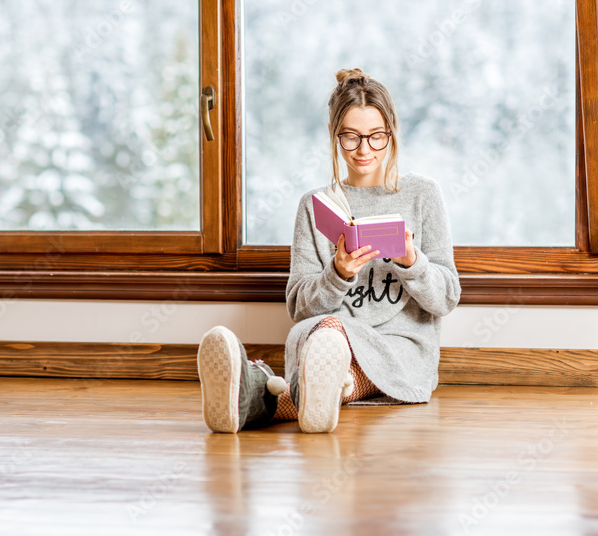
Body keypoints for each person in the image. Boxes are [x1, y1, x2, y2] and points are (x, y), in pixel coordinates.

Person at [197, 67, 461, 433]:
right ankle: (318, 390)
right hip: (327, 336)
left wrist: (411, 262)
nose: (364, 149)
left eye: (376, 137)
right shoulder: (315, 205)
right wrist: (338, 274)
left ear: (392, 132)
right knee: (327, 343)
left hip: (401, 349)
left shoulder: (423, 195)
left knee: (331, 353)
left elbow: (446, 298)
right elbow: (299, 307)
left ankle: (255, 395)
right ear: (333, 135)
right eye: (350, 137)